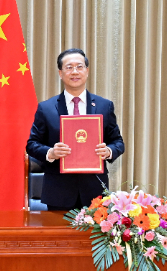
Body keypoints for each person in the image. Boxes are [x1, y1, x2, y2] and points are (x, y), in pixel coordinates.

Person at [26, 48, 124, 211]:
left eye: (79, 66)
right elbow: (31, 144)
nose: (75, 72)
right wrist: (51, 152)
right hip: (59, 192)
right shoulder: (46, 108)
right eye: (69, 67)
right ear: (60, 73)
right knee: (59, 237)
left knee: (93, 238)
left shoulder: (104, 106)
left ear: (87, 71)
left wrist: (108, 150)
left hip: (95, 192)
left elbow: (118, 142)